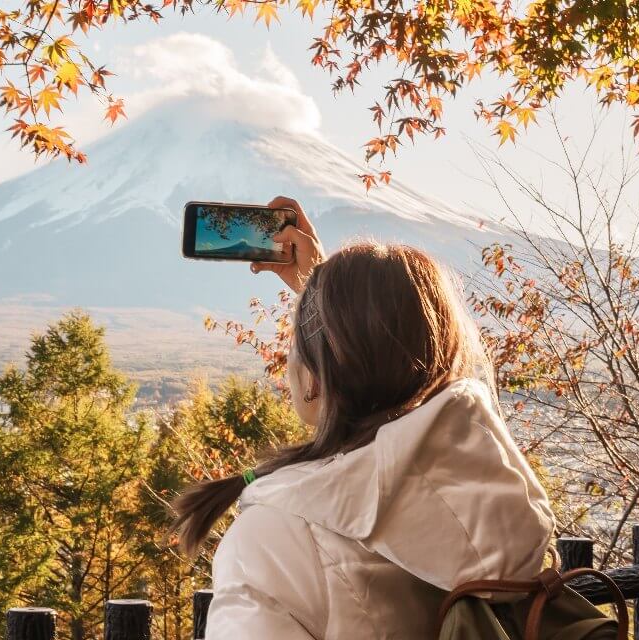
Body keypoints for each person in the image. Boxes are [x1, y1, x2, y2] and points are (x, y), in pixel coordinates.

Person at [173, 196, 560, 638]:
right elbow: (419, 378)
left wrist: (322, 300)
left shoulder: (274, 542)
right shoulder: (503, 503)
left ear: (313, 380)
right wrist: (324, 292)